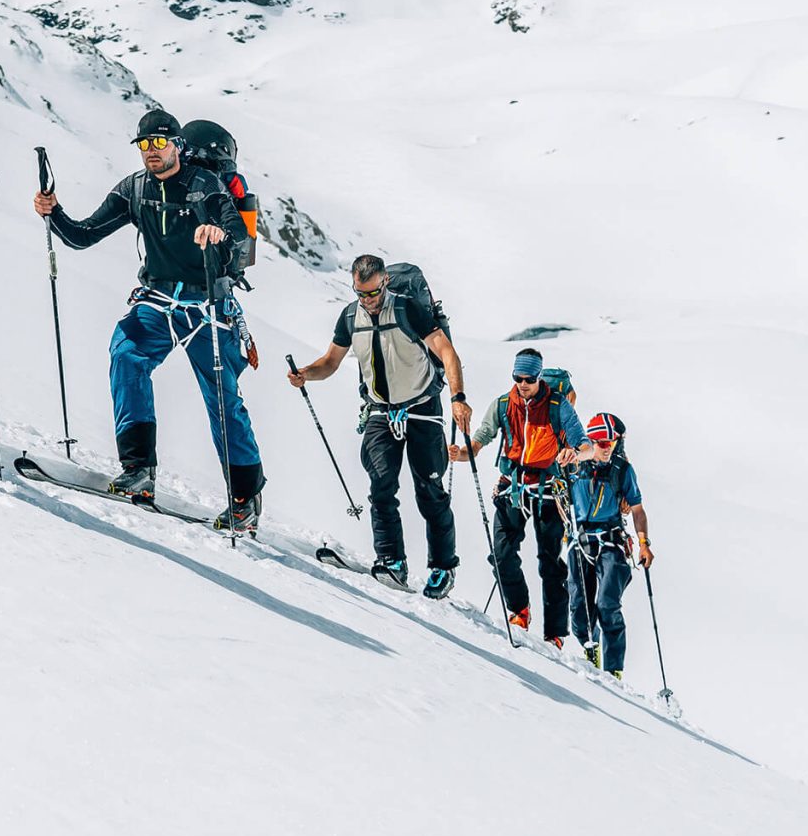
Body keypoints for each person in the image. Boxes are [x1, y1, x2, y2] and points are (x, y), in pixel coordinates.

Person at [32, 109, 265, 530]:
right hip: (159, 300)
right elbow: (84, 236)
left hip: (209, 305)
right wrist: (55, 212)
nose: (151, 152)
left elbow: (239, 234)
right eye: (144, 145)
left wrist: (219, 234)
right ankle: (139, 470)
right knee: (126, 354)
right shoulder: (134, 190)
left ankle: (246, 497)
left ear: (178, 145)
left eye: (159, 143)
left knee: (222, 397)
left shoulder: (204, 186)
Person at [287, 255, 469, 598]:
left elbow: (447, 352)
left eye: (372, 293)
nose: (367, 301)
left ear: (385, 282)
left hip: (422, 408)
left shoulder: (408, 309)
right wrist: (305, 374)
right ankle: (391, 560)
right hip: (379, 411)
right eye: (361, 294)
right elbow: (330, 362)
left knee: (430, 490)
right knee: (381, 484)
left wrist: (458, 397)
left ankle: (443, 567)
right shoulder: (350, 317)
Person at [451, 349, 605, 640]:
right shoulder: (503, 404)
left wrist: (575, 453)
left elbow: (584, 444)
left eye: (529, 379)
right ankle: (519, 609)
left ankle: (555, 633)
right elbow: (481, 438)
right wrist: (461, 454)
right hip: (514, 486)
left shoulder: (558, 406)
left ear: (538, 377)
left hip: (550, 489)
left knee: (549, 561)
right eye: (518, 378)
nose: (523, 384)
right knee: (502, 553)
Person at [566, 412, 652, 673]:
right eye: (597, 442)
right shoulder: (576, 464)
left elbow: (637, 509)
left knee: (607, 603)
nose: (603, 448)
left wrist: (644, 543)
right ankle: (589, 647)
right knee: (579, 607)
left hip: (610, 543)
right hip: (579, 541)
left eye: (608, 443)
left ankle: (614, 668)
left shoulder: (622, 470)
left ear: (617, 443)